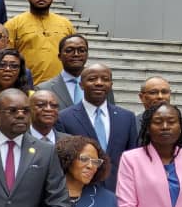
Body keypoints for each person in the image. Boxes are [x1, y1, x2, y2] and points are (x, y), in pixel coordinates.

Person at [56, 63, 139, 191]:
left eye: (105, 79)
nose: (99, 83)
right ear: (81, 85)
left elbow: (133, 156)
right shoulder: (64, 118)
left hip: (120, 190)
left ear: (111, 85)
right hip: (81, 192)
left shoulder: (127, 117)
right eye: (92, 79)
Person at [5, 0, 76, 85]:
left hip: (61, 87)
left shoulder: (66, 24)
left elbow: (75, 55)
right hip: (27, 86)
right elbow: (5, 58)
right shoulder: (13, 24)